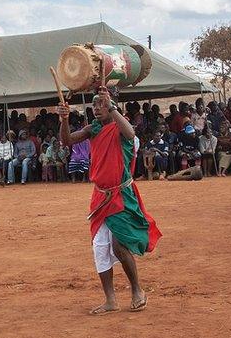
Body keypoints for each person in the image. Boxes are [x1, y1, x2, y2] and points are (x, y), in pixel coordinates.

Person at [59, 87, 161, 314]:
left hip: (121, 195)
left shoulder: (120, 128)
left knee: (119, 244)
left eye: (101, 105)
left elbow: (131, 134)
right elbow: (67, 140)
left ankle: (137, 290)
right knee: (100, 248)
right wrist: (64, 119)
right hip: (100, 196)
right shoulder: (92, 129)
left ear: (111, 106)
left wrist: (112, 107)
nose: (96, 109)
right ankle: (110, 300)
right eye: (94, 105)